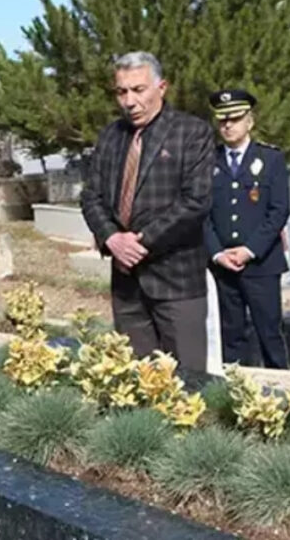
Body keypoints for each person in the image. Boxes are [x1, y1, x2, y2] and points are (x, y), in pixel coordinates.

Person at [80, 52, 215, 369]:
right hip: (127, 285)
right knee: (138, 381)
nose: (129, 101)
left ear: (161, 87)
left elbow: (195, 201)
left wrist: (139, 243)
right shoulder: (111, 136)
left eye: (138, 90)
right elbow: (90, 197)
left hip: (177, 282)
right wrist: (112, 238)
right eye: (121, 92)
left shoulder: (191, 132)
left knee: (187, 387)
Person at [204, 89, 290, 369]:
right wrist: (217, 253)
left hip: (261, 264)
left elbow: (278, 210)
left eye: (235, 118)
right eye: (222, 120)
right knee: (231, 337)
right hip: (223, 266)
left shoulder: (271, 159)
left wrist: (249, 250)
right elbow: (201, 213)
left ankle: (283, 399)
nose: (228, 125)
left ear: (249, 122)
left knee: (270, 335)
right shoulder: (207, 161)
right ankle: (234, 398)